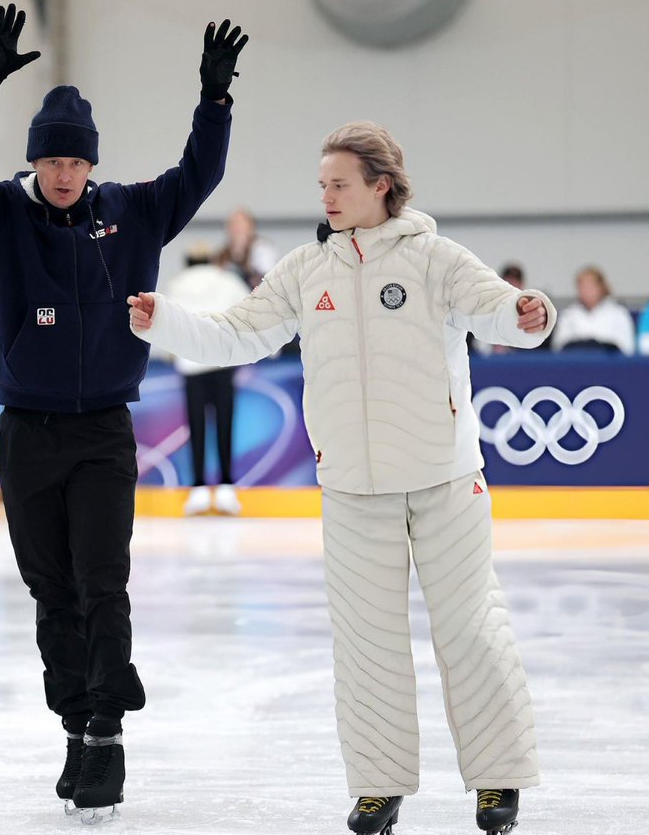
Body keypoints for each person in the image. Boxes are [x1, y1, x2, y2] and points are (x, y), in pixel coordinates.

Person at [128, 121, 550, 835]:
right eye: (321, 184)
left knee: (472, 631)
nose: (325, 196)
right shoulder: (303, 270)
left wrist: (526, 314)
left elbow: (500, 309)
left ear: (379, 187)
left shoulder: (435, 259)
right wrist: (162, 322)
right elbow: (236, 333)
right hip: (353, 491)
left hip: (445, 482)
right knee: (365, 643)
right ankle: (378, 788)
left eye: (339, 184)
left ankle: (496, 781)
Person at [0, 4, 245, 821]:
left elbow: (196, 176)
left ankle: (106, 732)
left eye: (75, 160)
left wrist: (213, 101)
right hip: (26, 434)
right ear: (33, 161)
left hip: (104, 429)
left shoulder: (131, 212)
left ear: (91, 165)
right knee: (51, 591)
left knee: (103, 584)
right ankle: (74, 723)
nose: (64, 172)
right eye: (51, 159)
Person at [163, 242, 251, 515]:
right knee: (225, 426)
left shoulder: (176, 284)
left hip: (191, 366)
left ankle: (198, 490)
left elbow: (168, 324)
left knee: (197, 428)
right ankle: (227, 489)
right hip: (223, 362)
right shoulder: (227, 280)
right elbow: (248, 311)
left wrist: (174, 354)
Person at [550, 264, 635, 354]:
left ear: (601, 287)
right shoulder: (568, 315)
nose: (586, 291)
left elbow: (627, 349)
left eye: (590, 286)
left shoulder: (619, 314)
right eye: (583, 287)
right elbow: (558, 348)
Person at [220, 207, 279, 289]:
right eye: (232, 224)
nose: (236, 229)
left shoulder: (262, 248)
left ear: (251, 227)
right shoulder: (224, 253)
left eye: (240, 224)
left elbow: (268, 276)